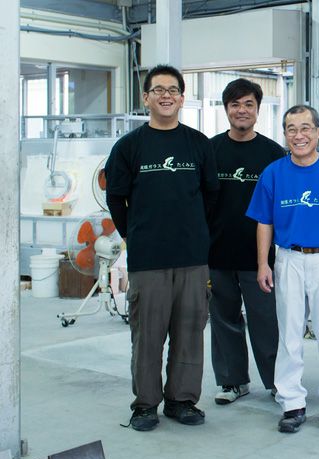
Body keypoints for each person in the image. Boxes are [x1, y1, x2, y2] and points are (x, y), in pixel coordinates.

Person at [105, 64, 219, 431]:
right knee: (147, 337)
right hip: (148, 259)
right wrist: (134, 235)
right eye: (158, 90)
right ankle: (145, 405)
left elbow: (211, 196)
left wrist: (194, 232)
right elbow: (115, 198)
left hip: (192, 258)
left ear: (182, 99)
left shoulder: (198, 144)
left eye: (173, 90)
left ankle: (181, 400)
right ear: (146, 98)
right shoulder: (129, 147)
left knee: (189, 333)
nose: (166, 95)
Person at [247, 105, 319, 434]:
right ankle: (292, 403)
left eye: (305, 128)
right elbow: (264, 222)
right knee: (289, 333)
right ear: (285, 134)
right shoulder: (273, 174)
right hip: (289, 259)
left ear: (318, 132)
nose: (299, 135)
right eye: (291, 129)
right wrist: (263, 263)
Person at [208, 79, 285, 405]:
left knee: (266, 321)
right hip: (217, 253)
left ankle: (277, 382)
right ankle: (232, 381)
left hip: (260, 258)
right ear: (226, 109)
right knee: (223, 319)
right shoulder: (210, 150)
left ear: (258, 109)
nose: (242, 110)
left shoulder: (273, 153)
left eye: (248, 104)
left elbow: (282, 204)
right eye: (235, 104)